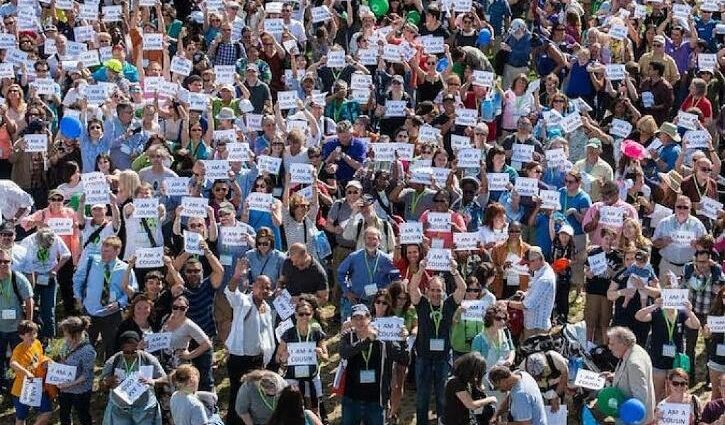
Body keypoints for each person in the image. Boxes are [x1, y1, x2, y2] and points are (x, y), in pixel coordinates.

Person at [409, 258, 466, 425]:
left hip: (443, 358)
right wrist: (420, 270)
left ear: (444, 291)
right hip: (423, 358)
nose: (435, 293)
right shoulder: (422, 304)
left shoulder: (449, 304)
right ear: (427, 291)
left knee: (443, 397)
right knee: (422, 397)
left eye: (438, 290)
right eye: (432, 290)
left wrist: (454, 271)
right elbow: (412, 288)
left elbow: (462, 288)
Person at [225, 260, 276, 425]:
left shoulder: (266, 308)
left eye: (268, 288)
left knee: (254, 396)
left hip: (258, 360)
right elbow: (231, 292)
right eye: (261, 286)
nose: (264, 290)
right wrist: (237, 275)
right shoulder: (244, 302)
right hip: (240, 359)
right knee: (238, 396)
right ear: (253, 286)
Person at [339, 303, 409, 425]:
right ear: (351, 320)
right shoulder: (347, 336)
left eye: (363, 317)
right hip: (352, 398)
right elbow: (345, 353)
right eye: (356, 318)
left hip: (376, 399)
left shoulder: (383, 339)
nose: (360, 321)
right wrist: (367, 341)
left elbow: (402, 359)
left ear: (369, 318)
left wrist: (403, 342)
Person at [72, 236, 138, 360]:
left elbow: (132, 291)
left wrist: (119, 303)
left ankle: (109, 374)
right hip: (90, 310)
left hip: (112, 313)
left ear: (117, 251)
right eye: (102, 250)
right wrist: (78, 297)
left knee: (112, 347)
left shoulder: (125, 268)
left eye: (107, 251)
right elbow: (78, 278)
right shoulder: (91, 262)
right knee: (85, 345)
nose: (103, 254)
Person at [100, 330, 166, 425]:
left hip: (144, 410)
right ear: (121, 349)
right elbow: (101, 384)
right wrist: (108, 382)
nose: (130, 355)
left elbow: (165, 379)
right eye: (127, 352)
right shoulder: (114, 361)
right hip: (120, 410)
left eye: (134, 352)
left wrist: (153, 381)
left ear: (138, 346)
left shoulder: (148, 359)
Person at [337, 227, 398, 320]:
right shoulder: (354, 257)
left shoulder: (386, 259)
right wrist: (347, 291)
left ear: (379, 241)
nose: (371, 241)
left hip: (378, 304)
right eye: (368, 238)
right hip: (357, 301)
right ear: (364, 239)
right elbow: (341, 273)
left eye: (374, 239)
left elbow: (396, 278)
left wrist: (388, 294)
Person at [603, 326, 656, 423]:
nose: (609, 347)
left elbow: (640, 398)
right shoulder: (635, 350)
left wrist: (630, 419)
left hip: (634, 419)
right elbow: (632, 378)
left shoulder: (634, 364)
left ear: (623, 343)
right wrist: (614, 376)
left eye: (612, 344)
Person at [0, 247, 33, 394]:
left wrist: (28, 324)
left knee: (19, 357)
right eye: (0, 261)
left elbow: (29, 300)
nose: (3, 264)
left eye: (6, 261)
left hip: (16, 328)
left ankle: (20, 384)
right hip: (0, 328)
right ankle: (3, 384)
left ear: (11, 262)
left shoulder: (18, 278)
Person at [653, 195, 708, 280]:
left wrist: (697, 244)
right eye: (679, 207)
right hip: (667, 265)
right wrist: (663, 242)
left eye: (685, 207)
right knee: (666, 292)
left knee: (687, 293)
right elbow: (654, 243)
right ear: (674, 208)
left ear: (690, 209)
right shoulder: (664, 222)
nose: (682, 210)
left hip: (689, 267)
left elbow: (706, 246)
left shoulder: (697, 224)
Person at [507, 246, 557, 340]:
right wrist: (526, 294)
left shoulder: (544, 279)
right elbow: (538, 295)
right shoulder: (541, 272)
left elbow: (528, 305)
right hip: (533, 325)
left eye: (528, 264)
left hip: (536, 329)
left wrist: (508, 303)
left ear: (537, 260)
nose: (527, 267)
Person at [9, 320, 52, 425]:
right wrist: (26, 372)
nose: (34, 336)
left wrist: (45, 362)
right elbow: (12, 363)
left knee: (47, 412)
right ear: (21, 336)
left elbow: (40, 357)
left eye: (35, 333)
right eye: (30, 334)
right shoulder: (19, 349)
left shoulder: (37, 343)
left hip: (37, 386)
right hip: (21, 391)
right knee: (21, 419)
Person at [56, 316, 96, 425]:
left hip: (80, 390)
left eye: (66, 333)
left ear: (76, 334)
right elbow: (63, 358)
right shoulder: (67, 344)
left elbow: (86, 375)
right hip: (65, 388)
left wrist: (69, 384)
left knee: (83, 415)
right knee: (64, 414)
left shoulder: (88, 351)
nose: (64, 336)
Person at [444, 352, 497, 425]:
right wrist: (490, 399)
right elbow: (471, 405)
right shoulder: (455, 383)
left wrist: (479, 386)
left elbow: (478, 398)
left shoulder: (468, 382)